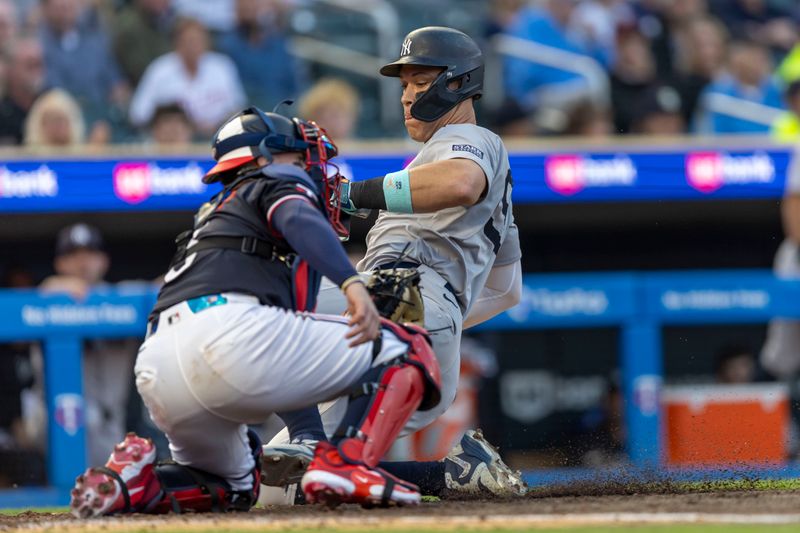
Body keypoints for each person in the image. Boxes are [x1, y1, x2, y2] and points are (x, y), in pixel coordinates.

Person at [68, 107, 442, 517]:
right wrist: (351, 283)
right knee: (408, 348)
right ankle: (348, 462)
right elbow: (296, 214)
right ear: (262, 158)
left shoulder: (211, 217)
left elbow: (285, 358)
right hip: (227, 331)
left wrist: (307, 433)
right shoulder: (272, 181)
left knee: (234, 484)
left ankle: (135, 483)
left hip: (160, 364)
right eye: (298, 157)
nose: (309, 167)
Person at [262, 26, 526, 502]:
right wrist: (437, 327)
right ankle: (454, 476)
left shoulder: (472, 138)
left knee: (284, 483)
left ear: (456, 82)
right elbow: (508, 290)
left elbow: (461, 182)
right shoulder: (449, 164)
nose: (406, 97)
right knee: (288, 482)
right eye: (403, 84)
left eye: (419, 82)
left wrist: (349, 194)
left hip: (407, 293)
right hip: (407, 305)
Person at [39, 224, 138, 467]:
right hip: (59, 424)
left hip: (113, 427)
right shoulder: (48, 297)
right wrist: (52, 288)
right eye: (73, 255)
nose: (83, 262)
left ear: (104, 261)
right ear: (59, 264)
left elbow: (157, 290)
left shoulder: (123, 298)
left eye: (90, 254)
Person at [129, 17, 246, 136]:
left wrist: (217, 125)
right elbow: (138, 114)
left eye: (198, 41)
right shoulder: (160, 70)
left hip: (219, 138)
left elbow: (238, 108)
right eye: (188, 41)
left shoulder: (222, 67)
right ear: (176, 43)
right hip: (174, 142)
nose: (193, 46)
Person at [217, 0, 304, 110]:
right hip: (250, 113)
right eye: (248, 7)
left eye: (257, 6)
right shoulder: (228, 45)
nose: (255, 11)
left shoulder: (279, 43)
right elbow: (238, 90)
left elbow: (294, 84)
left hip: (283, 111)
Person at [0, 36, 44, 145]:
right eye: (30, 65)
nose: (36, 72)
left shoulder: (53, 104)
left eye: (39, 65)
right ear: (10, 68)